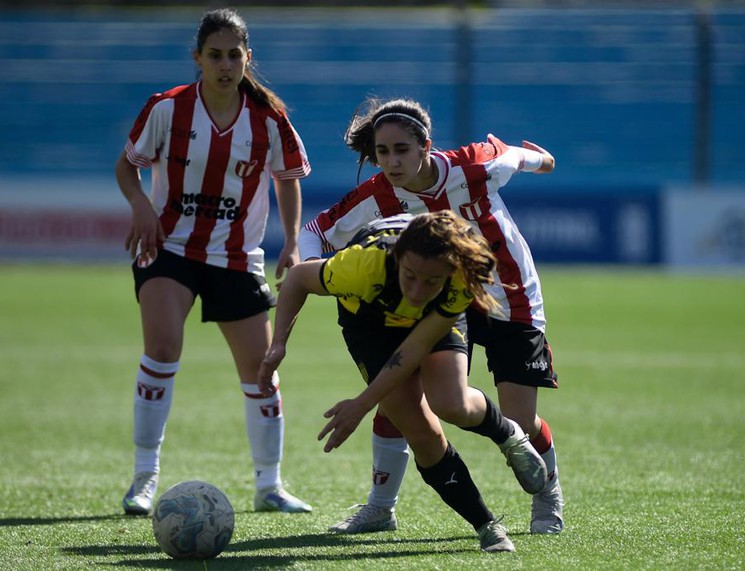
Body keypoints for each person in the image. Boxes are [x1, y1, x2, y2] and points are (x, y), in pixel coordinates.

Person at [298, 97, 564, 535]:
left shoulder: (473, 166)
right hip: (436, 300)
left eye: (401, 150)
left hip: (508, 296)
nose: (392, 162)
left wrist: (545, 160)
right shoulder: (377, 195)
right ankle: (380, 508)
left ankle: (546, 496)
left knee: (519, 419)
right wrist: (314, 272)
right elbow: (316, 233)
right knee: (400, 393)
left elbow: (518, 157)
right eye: (383, 152)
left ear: (426, 146)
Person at [114, 7, 312, 516]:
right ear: (197, 58)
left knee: (262, 373)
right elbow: (128, 166)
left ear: (248, 59)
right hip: (170, 248)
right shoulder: (167, 109)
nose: (225, 65)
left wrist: (291, 242)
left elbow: (287, 179)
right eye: (215, 55)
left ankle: (269, 485)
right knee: (161, 349)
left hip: (236, 256)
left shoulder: (269, 119)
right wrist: (141, 206)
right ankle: (143, 478)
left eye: (234, 56)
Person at [258, 210, 547, 552]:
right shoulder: (363, 265)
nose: (417, 290)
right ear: (397, 259)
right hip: (369, 324)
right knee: (420, 428)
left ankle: (508, 435)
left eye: (431, 281)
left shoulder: (463, 275)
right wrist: (278, 345)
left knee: (451, 403)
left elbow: (416, 347)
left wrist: (362, 404)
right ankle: (487, 526)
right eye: (410, 276)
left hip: (428, 325)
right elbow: (298, 280)